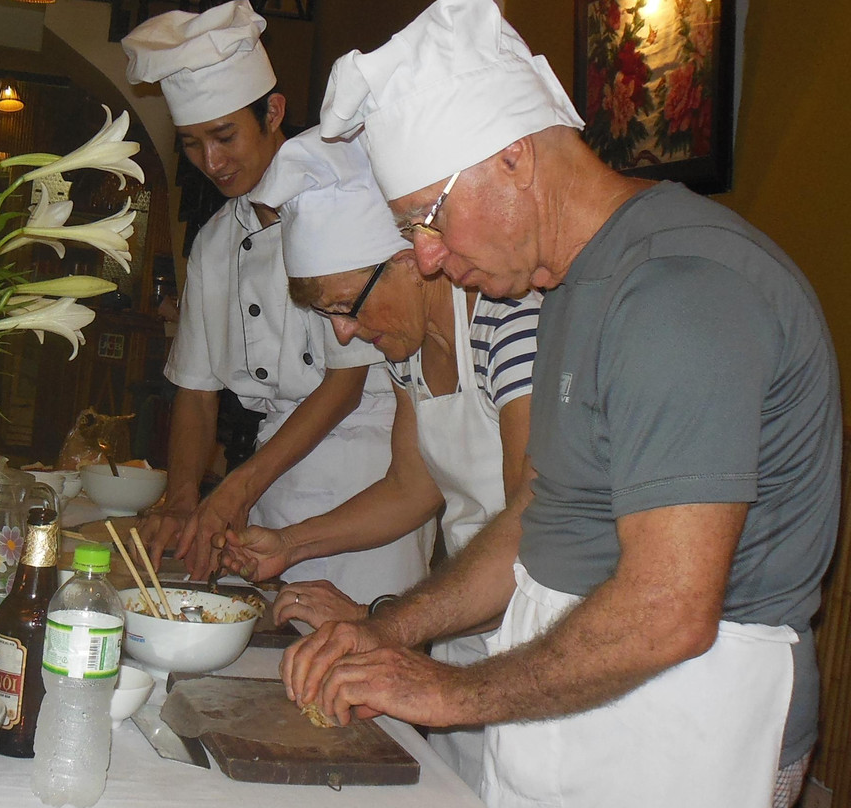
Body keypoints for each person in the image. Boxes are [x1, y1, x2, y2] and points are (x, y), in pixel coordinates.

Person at [281, 2, 842, 807]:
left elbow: (666, 611)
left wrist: (449, 692)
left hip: (694, 726)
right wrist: (390, 629)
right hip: (588, 707)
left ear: (513, 159)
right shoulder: (576, 285)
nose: (429, 259)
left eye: (427, 222)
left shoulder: (681, 292)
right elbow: (537, 517)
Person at [209, 128, 538, 790]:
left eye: (345, 307)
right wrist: (288, 545)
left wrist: (383, 619)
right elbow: (411, 489)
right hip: (466, 632)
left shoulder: (506, 322)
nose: (343, 334)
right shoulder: (413, 347)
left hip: (536, 643)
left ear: (410, 258)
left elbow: (532, 530)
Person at [121, 1, 433, 602]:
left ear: (274, 113)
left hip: (371, 481)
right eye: (191, 144)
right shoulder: (217, 242)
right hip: (274, 475)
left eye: (224, 136)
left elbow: (342, 387)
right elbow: (196, 387)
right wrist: (183, 499)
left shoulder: (342, 206)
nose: (211, 162)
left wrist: (233, 492)